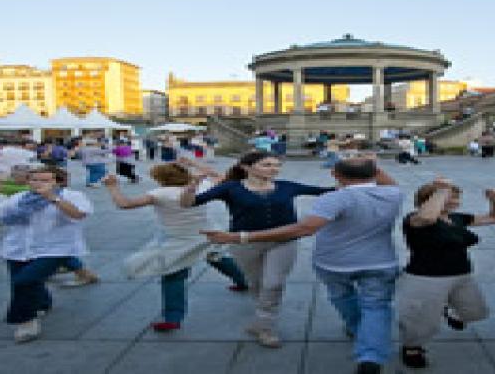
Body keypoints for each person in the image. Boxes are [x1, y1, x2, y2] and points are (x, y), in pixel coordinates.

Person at [201, 157, 399, 374]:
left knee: (342, 297)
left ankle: (357, 328)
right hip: (381, 261)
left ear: (335, 175)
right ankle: (370, 355)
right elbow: (384, 179)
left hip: (335, 263)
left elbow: (304, 229)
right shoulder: (393, 193)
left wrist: (241, 237)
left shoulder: (334, 199)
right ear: (375, 172)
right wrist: (372, 165)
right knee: (376, 306)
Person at [181, 151, 334, 348]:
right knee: (256, 284)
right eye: (267, 165)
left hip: (283, 241)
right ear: (246, 167)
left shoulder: (287, 186)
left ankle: (265, 326)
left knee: (273, 283)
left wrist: (362, 179)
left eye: (276, 165)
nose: (274, 169)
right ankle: (262, 318)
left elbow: (326, 191)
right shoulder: (230, 188)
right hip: (245, 243)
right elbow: (188, 204)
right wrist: (191, 187)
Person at [103, 160, 248, 332]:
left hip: (179, 239)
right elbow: (219, 176)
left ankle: (173, 317)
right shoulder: (202, 187)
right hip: (207, 233)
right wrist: (194, 164)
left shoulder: (159, 193)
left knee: (174, 274)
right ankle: (243, 281)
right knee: (218, 259)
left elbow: (124, 204)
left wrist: (112, 186)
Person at [397, 177, 495, 369]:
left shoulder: (457, 218)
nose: (454, 201)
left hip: (461, 275)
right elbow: (427, 218)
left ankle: (450, 311)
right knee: (422, 322)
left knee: (475, 312)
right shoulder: (414, 219)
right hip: (426, 278)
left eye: (456, 197)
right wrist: (441, 190)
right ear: (428, 199)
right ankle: (412, 347)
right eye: (450, 197)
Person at [0, 166, 92, 343]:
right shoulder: (19, 198)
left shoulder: (71, 196)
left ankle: (26, 322)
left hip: (54, 249)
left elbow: (78, 214)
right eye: (35, 180)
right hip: (18, 248)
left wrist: (53, 198)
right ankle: (43, 302)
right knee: (25, 282)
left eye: (45, 180)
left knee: (23, 281)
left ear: (57, 181)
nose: (38, 184)